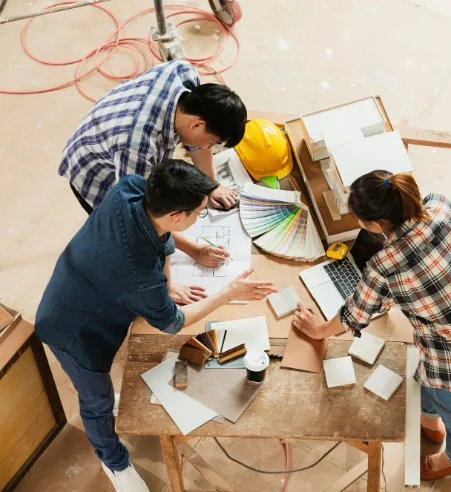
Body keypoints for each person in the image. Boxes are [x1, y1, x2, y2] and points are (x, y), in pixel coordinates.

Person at [35, 160, 277, 492]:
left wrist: (173, 274)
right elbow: (174, 322)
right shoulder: (135, 273)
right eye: (198, 213)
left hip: (77, 285)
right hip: (71, 331)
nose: (198, 218)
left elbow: (159, 236)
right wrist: (229, 293)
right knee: (97, 402)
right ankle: (114, 463)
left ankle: (110, 430)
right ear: (177, 215)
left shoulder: (131, 188)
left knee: (104, 393)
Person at [292, 171, 451, 481]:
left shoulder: (386, 265)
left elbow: (354, 314)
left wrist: (317, 330)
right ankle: (431, 425)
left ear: (375, 225)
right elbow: (428, 267)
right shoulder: (439, 206)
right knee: (429, 382)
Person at [58, 59, 247, 305]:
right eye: (211, 142)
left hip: (111, 132)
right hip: (93, 169)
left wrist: (211, 184)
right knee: (126, 239)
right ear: (197, 123)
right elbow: (148, 217)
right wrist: (188, 258)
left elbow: (197, 141)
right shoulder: (138, 146)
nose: (208, 148)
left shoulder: (184, 74)